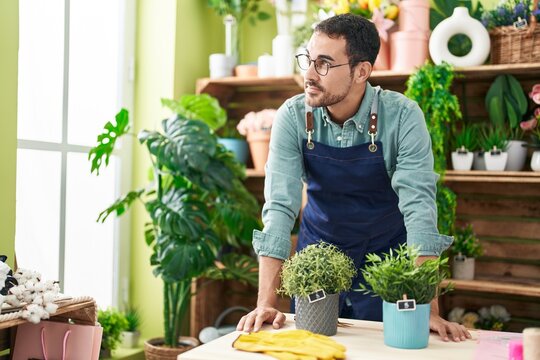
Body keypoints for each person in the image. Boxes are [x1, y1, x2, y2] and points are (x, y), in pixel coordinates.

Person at [236, 13, 471, 342]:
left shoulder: (402, 117)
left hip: (386, 265)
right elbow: (279, 209)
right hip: (317, 261)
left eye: (324, 64)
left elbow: (419, 210)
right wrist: (265, 304)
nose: (309, 74)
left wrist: (426, 309)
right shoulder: (292, 116)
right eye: (308, 60)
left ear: (361, 71)